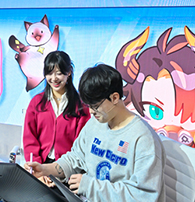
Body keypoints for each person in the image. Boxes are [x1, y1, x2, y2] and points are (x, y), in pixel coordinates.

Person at [28, 64, 165, 202]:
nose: (91, 112)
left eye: (95, 106)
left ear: (115, 97)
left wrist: (90, 187)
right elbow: (76, 157)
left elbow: (143, 195)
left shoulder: (143, 139)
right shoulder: (95, 123)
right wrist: (46, 169)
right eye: (88, 106)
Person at [23, 51, 90, 169]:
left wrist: (64, 170)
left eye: (59, 73)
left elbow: (80, 145)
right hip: (40, 165)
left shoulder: (81, 106)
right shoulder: (36, 103)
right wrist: (37, 168)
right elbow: (30, 138)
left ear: (69, 72)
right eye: (49, 73)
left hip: (68, 167)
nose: (54, 79)